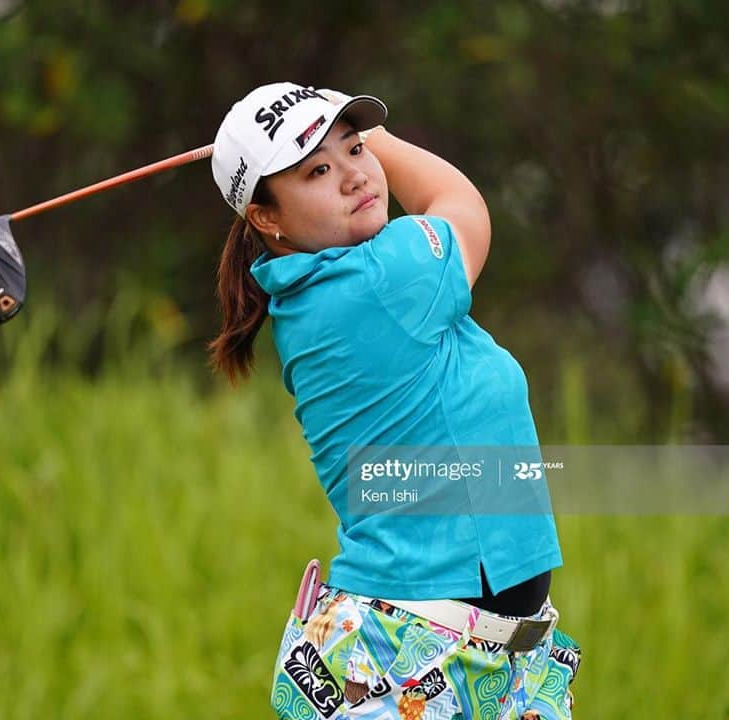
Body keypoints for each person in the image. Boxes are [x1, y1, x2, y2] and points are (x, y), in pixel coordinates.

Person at [207, 82, 583, 719]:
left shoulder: (314, 292)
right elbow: (460, 203)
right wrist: (379, 136)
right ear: (266, 219)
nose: (355, 175)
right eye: (318, 169)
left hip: (477, 661)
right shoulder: (383, 278)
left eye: (354, 149)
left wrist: (330, 131)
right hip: (413, 661)